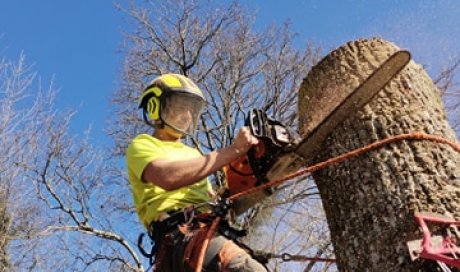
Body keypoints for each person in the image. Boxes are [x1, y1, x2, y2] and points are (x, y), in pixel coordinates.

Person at [126, 73, 268, 271]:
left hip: (208, 230)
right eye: (180, 106)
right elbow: (167, 177)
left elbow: (214, 201)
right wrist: (233, 150)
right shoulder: (143, 144)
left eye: (192, 110)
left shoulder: (193, 154)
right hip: (177, 237)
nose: (187, 115)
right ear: (154, 107)